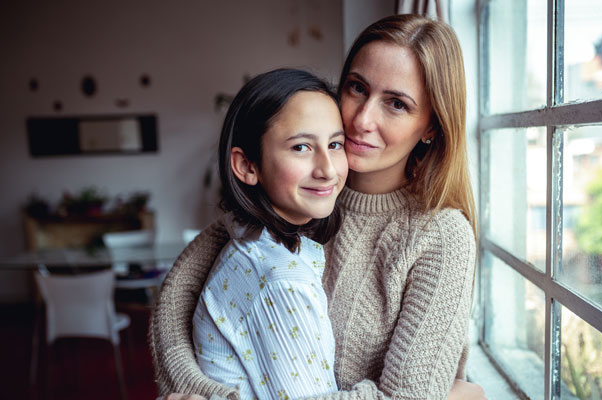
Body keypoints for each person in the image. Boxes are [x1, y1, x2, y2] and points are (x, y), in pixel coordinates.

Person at [150, 14, 484, 399]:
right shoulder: (301, 189)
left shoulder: (440, 236)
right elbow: (177, 294)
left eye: (396, 104)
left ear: (431, 126)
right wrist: (203, 392)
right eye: (357, 88)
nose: (362, 119)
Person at [191, 68, 347, 399]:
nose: (328, 169)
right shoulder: (281, 280)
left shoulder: (252, 241)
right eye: (302, 147)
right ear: (248, 166)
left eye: (335, 144)